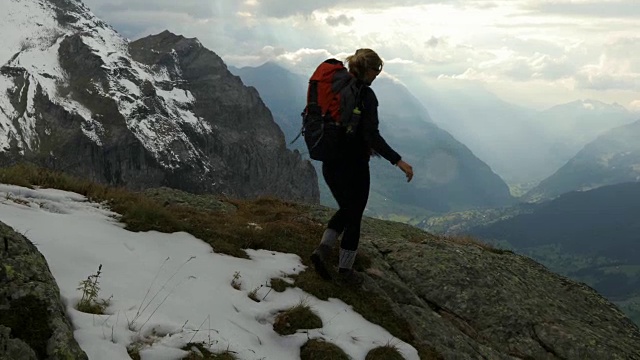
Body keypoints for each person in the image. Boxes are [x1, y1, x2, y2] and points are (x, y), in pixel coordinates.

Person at [310, 48, 414, 285]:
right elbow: (371, 136)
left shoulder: (337, 88)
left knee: (346, 210)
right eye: (376, 71)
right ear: (367, 69)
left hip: (330, 161)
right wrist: (398, 160)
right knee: (354, 216)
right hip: (354, 165)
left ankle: (322, 251)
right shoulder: (365, 95)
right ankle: (345, 271)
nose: (377, 76)